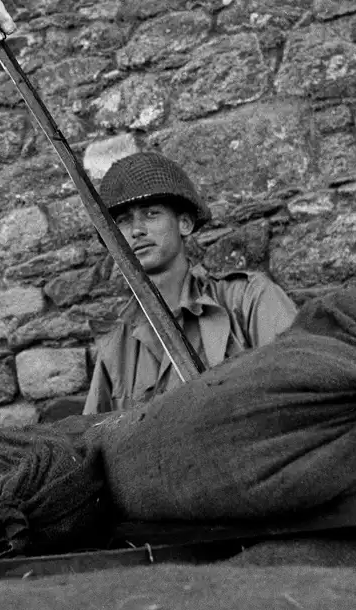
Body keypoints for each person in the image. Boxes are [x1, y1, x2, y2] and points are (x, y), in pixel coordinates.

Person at [83, 151, 298, 414]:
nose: (137, 230)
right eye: (123, 221)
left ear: (184, 223)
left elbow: (303, 388)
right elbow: (90, 440)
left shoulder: (249, 299)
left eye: (151, 214)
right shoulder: (117, 344)